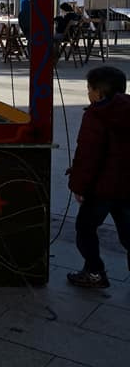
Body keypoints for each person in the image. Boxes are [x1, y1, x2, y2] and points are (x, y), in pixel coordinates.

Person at [66, 66, 130, 288]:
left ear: (99, 93)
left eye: (89, 89)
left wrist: (78, 185)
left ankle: (94, 271)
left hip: (101, 190)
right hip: (127, 188)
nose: (88, 93)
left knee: (85, 228)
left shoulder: (95, 116)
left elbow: (88, 156)